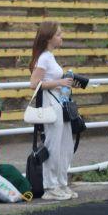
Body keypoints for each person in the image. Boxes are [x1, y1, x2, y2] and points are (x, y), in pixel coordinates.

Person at [28, 22, 77, 201]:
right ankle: (50, 186)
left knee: (65, 146)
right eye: (58, 34)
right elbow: (34, 83)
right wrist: (60, 83)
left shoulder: (49, 56)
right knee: (53, 145)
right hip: (51, 105)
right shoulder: (44, 58)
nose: (61, 37)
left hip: (58, 103)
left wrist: (62, 82)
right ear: (49, 38)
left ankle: (61, 183)